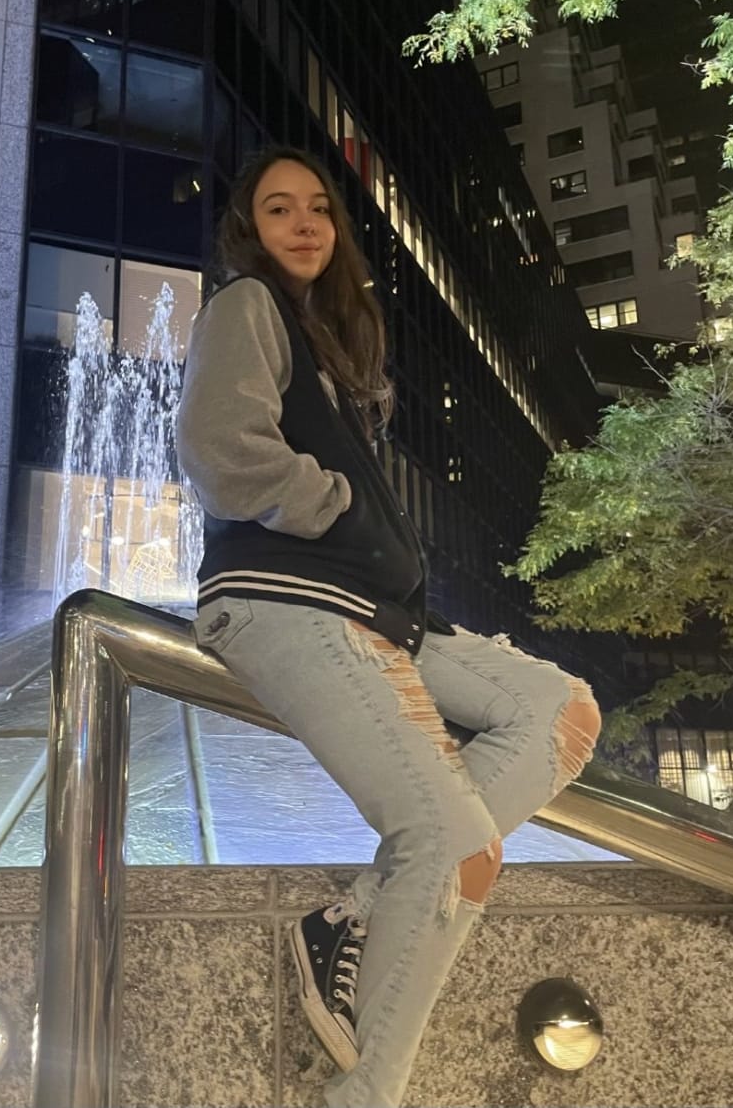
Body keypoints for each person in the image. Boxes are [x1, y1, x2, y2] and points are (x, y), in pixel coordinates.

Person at [176, 147, 602, 1108]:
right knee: (456, 846)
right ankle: (365, 1092)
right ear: (249, 229)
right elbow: (219, 450)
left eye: (318, 208)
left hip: (374, 607)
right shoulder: (246, 304)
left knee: (562, 710)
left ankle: (359, 912)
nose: (304, 224)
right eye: (278, 208)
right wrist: (334, 507)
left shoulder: (326, 340)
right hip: (288, 597)